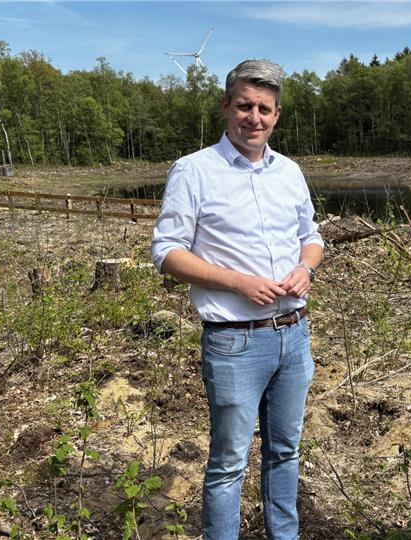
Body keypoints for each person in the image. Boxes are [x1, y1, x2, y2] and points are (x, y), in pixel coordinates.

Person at [151, 59, 323, 540]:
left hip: (294, 335)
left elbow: (312, 235)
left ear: (277, 115)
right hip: (234, 343)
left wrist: (305, 268)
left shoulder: (289, 172)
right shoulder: (194, 171)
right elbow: (166, 252)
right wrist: (237, 282)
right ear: (226, 106)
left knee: (285, 451)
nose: (254, 117)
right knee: (228, 463)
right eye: (244, 105)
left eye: (264, 109)